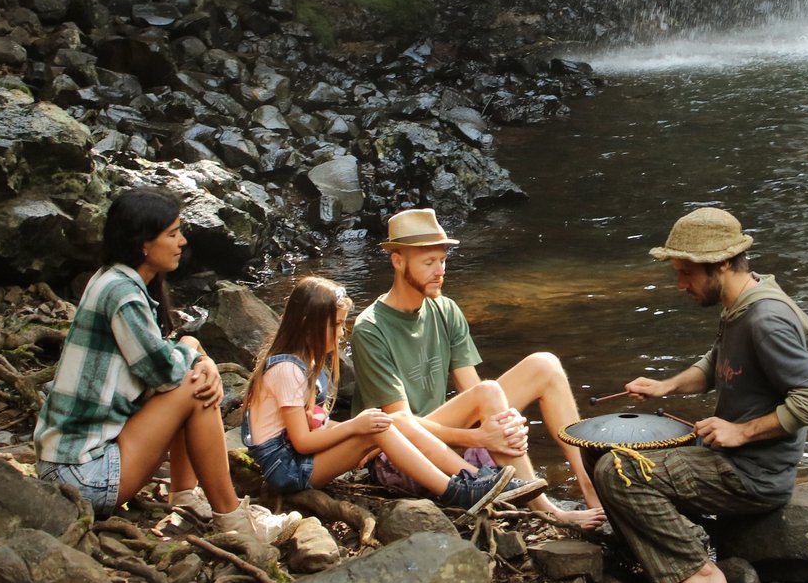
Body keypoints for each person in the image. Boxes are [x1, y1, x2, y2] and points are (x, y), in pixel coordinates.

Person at [34, 188, 301, 549]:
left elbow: (156, 369)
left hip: (68, 465)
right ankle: (234, 520)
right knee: (194, 388)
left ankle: (187, 497)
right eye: (172, 233)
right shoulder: (122, 293)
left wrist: (197, 357)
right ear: (144, 243)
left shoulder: (114, 279)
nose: (182, 241)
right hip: (82, 478)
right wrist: (194, 349)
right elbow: (164, 373)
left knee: (192, 377)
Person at [604, 206, 808, 583]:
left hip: (753, 476)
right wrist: (666, 386)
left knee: (619, 470)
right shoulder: (739, 302)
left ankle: (699, 573)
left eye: (685, 272)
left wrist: (741, 431)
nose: (680, 283)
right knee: (604, 447)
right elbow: (715, 362)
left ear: (722, 263)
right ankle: (655, 552)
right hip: (729, 459)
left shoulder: (766, 320)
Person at [350, 208, 606, 529]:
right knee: (488, 395)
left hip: (447, 437)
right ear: (398, 261)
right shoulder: (370, 328)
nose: (439, 271)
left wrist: (503, 421)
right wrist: (479, 437)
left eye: (442, 260)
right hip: (401, 455)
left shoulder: (445, 309)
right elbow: (400, 423)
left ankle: (590, 487)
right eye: (428, 263)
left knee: (546, 365)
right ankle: (545, 510)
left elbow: (475, 392)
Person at [242, 275, 510, 508]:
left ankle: (474, 477)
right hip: (288, 470)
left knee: (388, 421)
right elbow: (302, 442)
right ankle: (455, 490)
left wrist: (357, 426)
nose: (341, 333)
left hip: (299, 461)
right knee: (378, 428)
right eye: (335, 325)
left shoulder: (305, 363)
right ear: (306, 324)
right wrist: (355, 427)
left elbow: (316, 425)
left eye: (343, 324)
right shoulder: (287, 370)